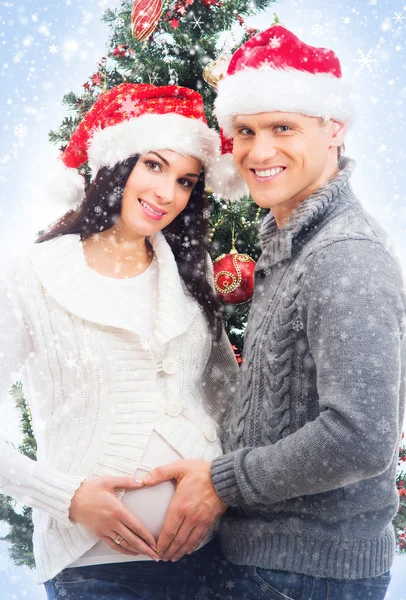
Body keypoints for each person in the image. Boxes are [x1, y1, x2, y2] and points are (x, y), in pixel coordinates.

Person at [140, 26, 406, 600]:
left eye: (283, 128)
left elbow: (361, 437)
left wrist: (221, 483)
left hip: (304, 575)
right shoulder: (290, 242)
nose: (259, 152)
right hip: (272, 567)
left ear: (334, 129)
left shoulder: (343, 256)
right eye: (246, 131)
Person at [0, 83, 239, 599]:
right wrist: (67, 498)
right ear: (115, 163)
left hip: (212, 558)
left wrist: (218, 483)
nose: (166, 194)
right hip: (94, 568)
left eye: (185, 181)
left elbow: (233, 407)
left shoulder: (192, 282)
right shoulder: (32, 276)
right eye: (153, 165)